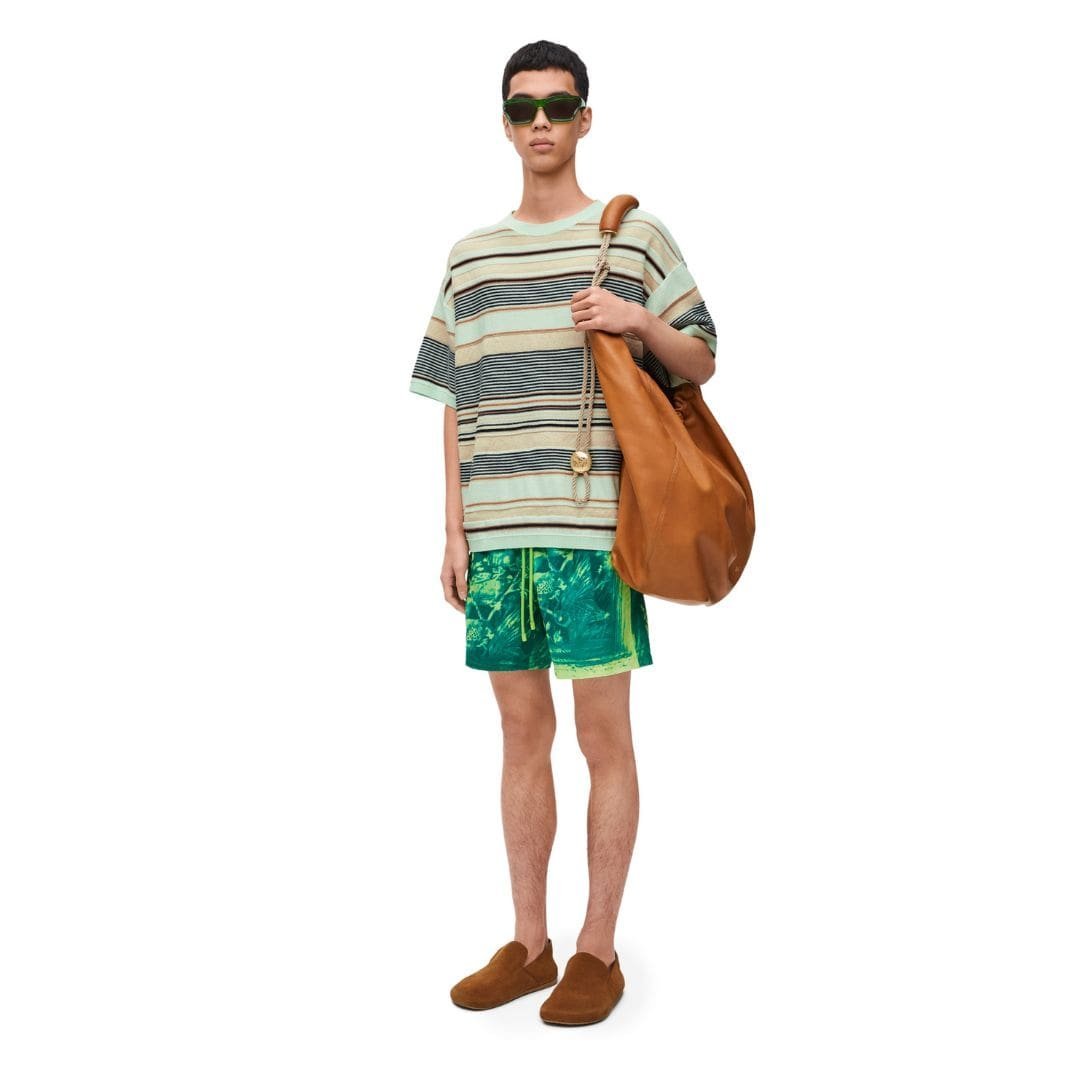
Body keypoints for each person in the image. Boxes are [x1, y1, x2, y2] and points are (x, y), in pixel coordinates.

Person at [408, 40, 718, 1026]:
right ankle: (529, 942)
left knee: (602, 735)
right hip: (498, 535)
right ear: (504, 124)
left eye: (557, 105)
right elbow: (452, 398)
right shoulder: (471, 256)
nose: (539, 121)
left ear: (585, 118)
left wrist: (636, 323)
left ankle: (597, 949)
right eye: (522, 107)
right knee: (518, 735)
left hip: (592, 533)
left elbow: (701, 358)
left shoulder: (634, 238)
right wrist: (453, 529)